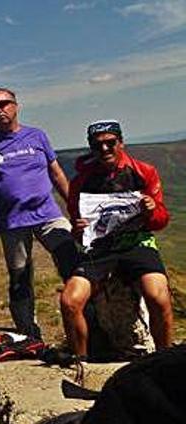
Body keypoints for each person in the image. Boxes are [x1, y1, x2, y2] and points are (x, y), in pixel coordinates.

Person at [0, 88, 78, 339]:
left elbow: (56, 172)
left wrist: (73, 205)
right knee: (20, 275)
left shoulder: (37, 136)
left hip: (47, 213)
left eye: (4, 104)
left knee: (71, 260)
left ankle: (84, 320)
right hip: (12, 220)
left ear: (16, 105)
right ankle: (28, 333)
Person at [60, 120, 173, 358]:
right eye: (97, 145)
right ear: (90, 147)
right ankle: (80, 363)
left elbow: (161, 222)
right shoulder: (81, 182)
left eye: (110, 143)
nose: (104, 150)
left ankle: (164, 362)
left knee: (158, 297)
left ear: (121, 142)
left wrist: (152, 210)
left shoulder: (144, 172)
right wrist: (78, 229)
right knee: (70, 301)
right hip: (100, 248)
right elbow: (77, 227)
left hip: (137, 243)